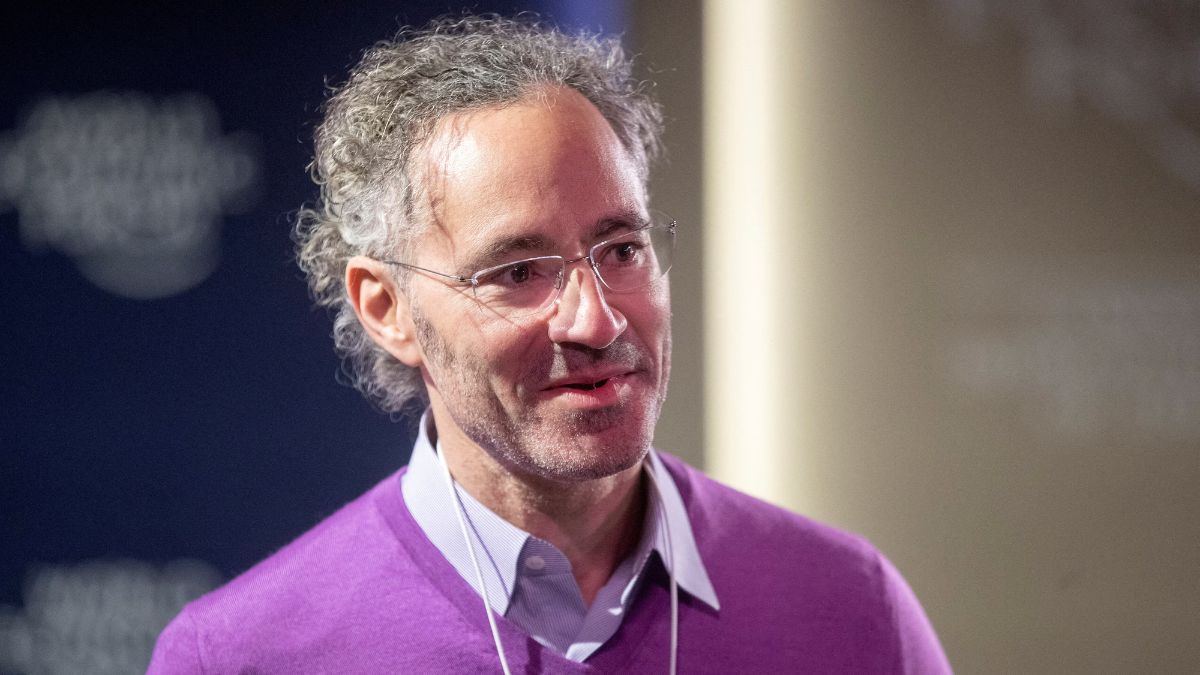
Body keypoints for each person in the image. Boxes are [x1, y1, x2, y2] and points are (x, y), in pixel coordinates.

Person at [149, 15, 950, 674]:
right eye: (519, 272)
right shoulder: (244, 655)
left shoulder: (850, 607)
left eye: (622, 250)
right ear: (387, 307)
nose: (596, 322)